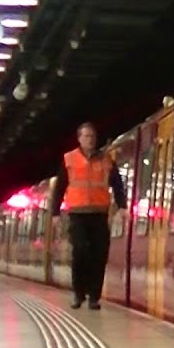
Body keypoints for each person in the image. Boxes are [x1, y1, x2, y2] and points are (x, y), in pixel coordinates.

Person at [49, 122, 126, 309]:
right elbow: (59, 188)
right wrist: (55, 213)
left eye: (92, 136)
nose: (90, 140)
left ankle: (94, 297)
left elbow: (117, 184)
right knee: (80, 252)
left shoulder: (106, 160)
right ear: (79, 139)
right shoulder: (69, 160)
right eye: (86, 136)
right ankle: (78, 293)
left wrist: (122, 206)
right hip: (77, 214)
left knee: (99, 255)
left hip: (100, 215)